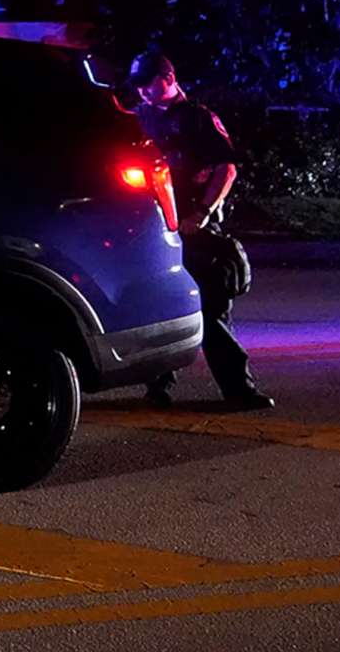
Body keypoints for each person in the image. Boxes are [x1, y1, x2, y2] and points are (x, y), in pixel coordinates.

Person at [131, 49, 274, 411]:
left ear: (168, 78)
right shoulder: (140, 116)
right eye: (139, 86)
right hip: (156, 227)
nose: (143, 92)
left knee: (212, 309)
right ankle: (157, 386)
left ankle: (238, 388)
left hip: (197, 228)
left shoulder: (197, 118)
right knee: (161, 306)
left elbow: (226, 169)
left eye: (148, 84)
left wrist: (203, 212)